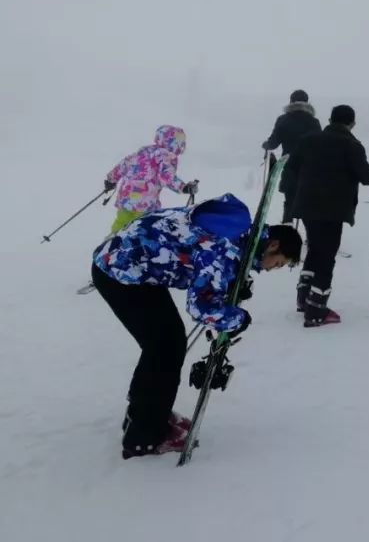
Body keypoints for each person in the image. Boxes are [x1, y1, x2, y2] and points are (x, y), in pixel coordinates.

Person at [91, 194, 302, 458]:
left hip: (131, 263)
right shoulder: (224, 248)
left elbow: (205, 262)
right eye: (278, 263)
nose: (272, 269)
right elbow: (203, 307)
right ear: (273, 245)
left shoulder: (237, 229)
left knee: (166, 343)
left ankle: (144, 415)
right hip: (119, 272)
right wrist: (238, 318)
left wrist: (231, 282)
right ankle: (143, 436)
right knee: (165, 347)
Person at [291, 105, 369, 326]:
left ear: (329, 119)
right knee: (326, 256)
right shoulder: (352, 145)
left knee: (315, 251)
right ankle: (316, 310)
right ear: (352, 123)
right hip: (332, 210)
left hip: (307, 205)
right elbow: (366, 177)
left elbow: (292, 168)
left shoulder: (309, 140)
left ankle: (303, 298)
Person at [104, 125, 197, 234]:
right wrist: (184, 187)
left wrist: (111, 180)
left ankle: (111, 245)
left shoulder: (143, 152)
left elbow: (123, 164)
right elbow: (166, 177)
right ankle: (137, 248)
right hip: (145, 203)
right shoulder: (167, 156)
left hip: (126, 199)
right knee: (141, 228)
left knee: (121, 224)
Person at [261, 90, 322, 221]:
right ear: (307, 103)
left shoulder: (283, 120)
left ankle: (287, 231)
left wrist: (266, 145)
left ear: (291, 102)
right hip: (310, 168)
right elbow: (320, 146)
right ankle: (311, 237)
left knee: (290, 201)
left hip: (290, 166)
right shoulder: (314, 122)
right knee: (308, 202)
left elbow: (273, 143)